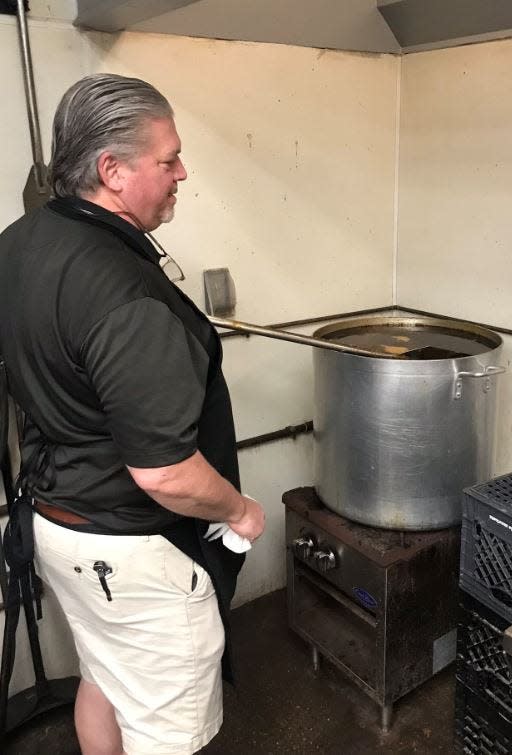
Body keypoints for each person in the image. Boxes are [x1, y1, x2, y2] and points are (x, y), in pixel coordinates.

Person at [0, 73, 265, 755]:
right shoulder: (125, 295)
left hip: (58, 523)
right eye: (168, 158)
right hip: (131, 553)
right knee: (166, 731)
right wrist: (237, 510)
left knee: (105, 677)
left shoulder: (21, 240)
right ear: (112, 170)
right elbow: (165, 472)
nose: (183, 172)